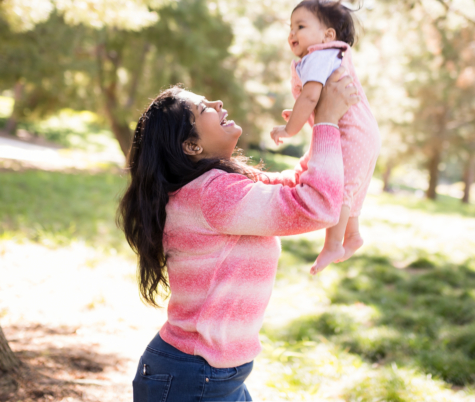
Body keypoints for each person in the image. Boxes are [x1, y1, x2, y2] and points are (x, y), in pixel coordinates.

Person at [118, 68, 358, 402]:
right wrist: (328, 123)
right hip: (195, 377)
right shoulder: (213, 194)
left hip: (206, 373)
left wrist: (322, 123)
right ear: (191, 145)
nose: (218, 103)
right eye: (205, 109)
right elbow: (317, 204)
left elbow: (297, 182)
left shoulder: (215, 187)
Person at [270, 0, 381, 275]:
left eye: (301, 26)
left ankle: (333, 243)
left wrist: (289, 129)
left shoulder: (319, 55)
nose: (292, 34)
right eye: (291, 27)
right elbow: (315, 102)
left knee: (340, 186)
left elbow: (310, 96)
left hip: (351, 133)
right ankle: (352, 235)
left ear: (328, 35)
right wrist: (299, 113)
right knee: (351, 185)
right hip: (364, 131)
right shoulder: (329, 56)